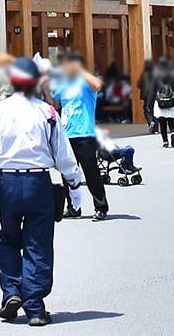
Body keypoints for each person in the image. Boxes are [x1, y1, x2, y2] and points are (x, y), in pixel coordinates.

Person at [0, 57, 84, 327]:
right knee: (38, 241)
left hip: (8, 182)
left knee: (8, 237)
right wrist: (74, 183)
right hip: (38, 182)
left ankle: (11, 291)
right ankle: (34, 305)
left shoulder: (0, 110)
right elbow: (63, 154)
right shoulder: (47, 112)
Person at [49, 50, 108, 222]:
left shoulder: (85, 82)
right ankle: (73, 207)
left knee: (91, 173)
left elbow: (98, 85)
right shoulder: (64, 84)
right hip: (67, 135)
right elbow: (54, 102)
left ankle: (101, 206)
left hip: (85, 135)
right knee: (67, 173)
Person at [150, 60, 174, 148]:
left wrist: (149, 105)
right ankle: (173, 133)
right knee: (171, 121)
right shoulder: (172, 78)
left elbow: (152, 92)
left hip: (160, 103)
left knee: (162, 123)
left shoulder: (156, 79)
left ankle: (165, 141)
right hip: (171, 102)